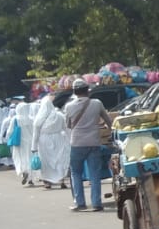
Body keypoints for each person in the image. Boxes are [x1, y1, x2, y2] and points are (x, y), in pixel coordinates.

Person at [64, 81, 111, 212]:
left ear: (74, 92)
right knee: (94, 173)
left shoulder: (69, 106)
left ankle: (80, 203)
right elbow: (108, 121)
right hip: (94, 142)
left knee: (76, 173)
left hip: (77, 143)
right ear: (88, 91)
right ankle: (96, 203)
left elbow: (68, 125)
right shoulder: (97, 103)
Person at [33, 95, 70, 190]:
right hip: (58, 139)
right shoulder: (59, 115)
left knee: (46, 161)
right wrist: (70, 140)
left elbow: (36, 133)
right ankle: (61, 180)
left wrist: (34, 147)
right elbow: (66, 129)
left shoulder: (39, 118)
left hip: (44, 141)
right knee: (59, 159)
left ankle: (47, 182)